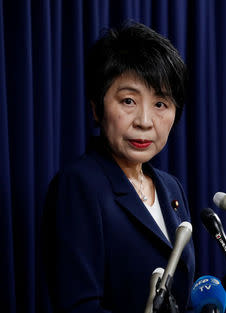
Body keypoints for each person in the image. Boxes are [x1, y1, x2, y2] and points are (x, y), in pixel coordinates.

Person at [42, 22, 195, 312]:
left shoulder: (171, 187)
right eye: (128, 101)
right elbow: (79, 306)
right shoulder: (78, 185)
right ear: (97, 108)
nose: (145, 121)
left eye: (161, 103)